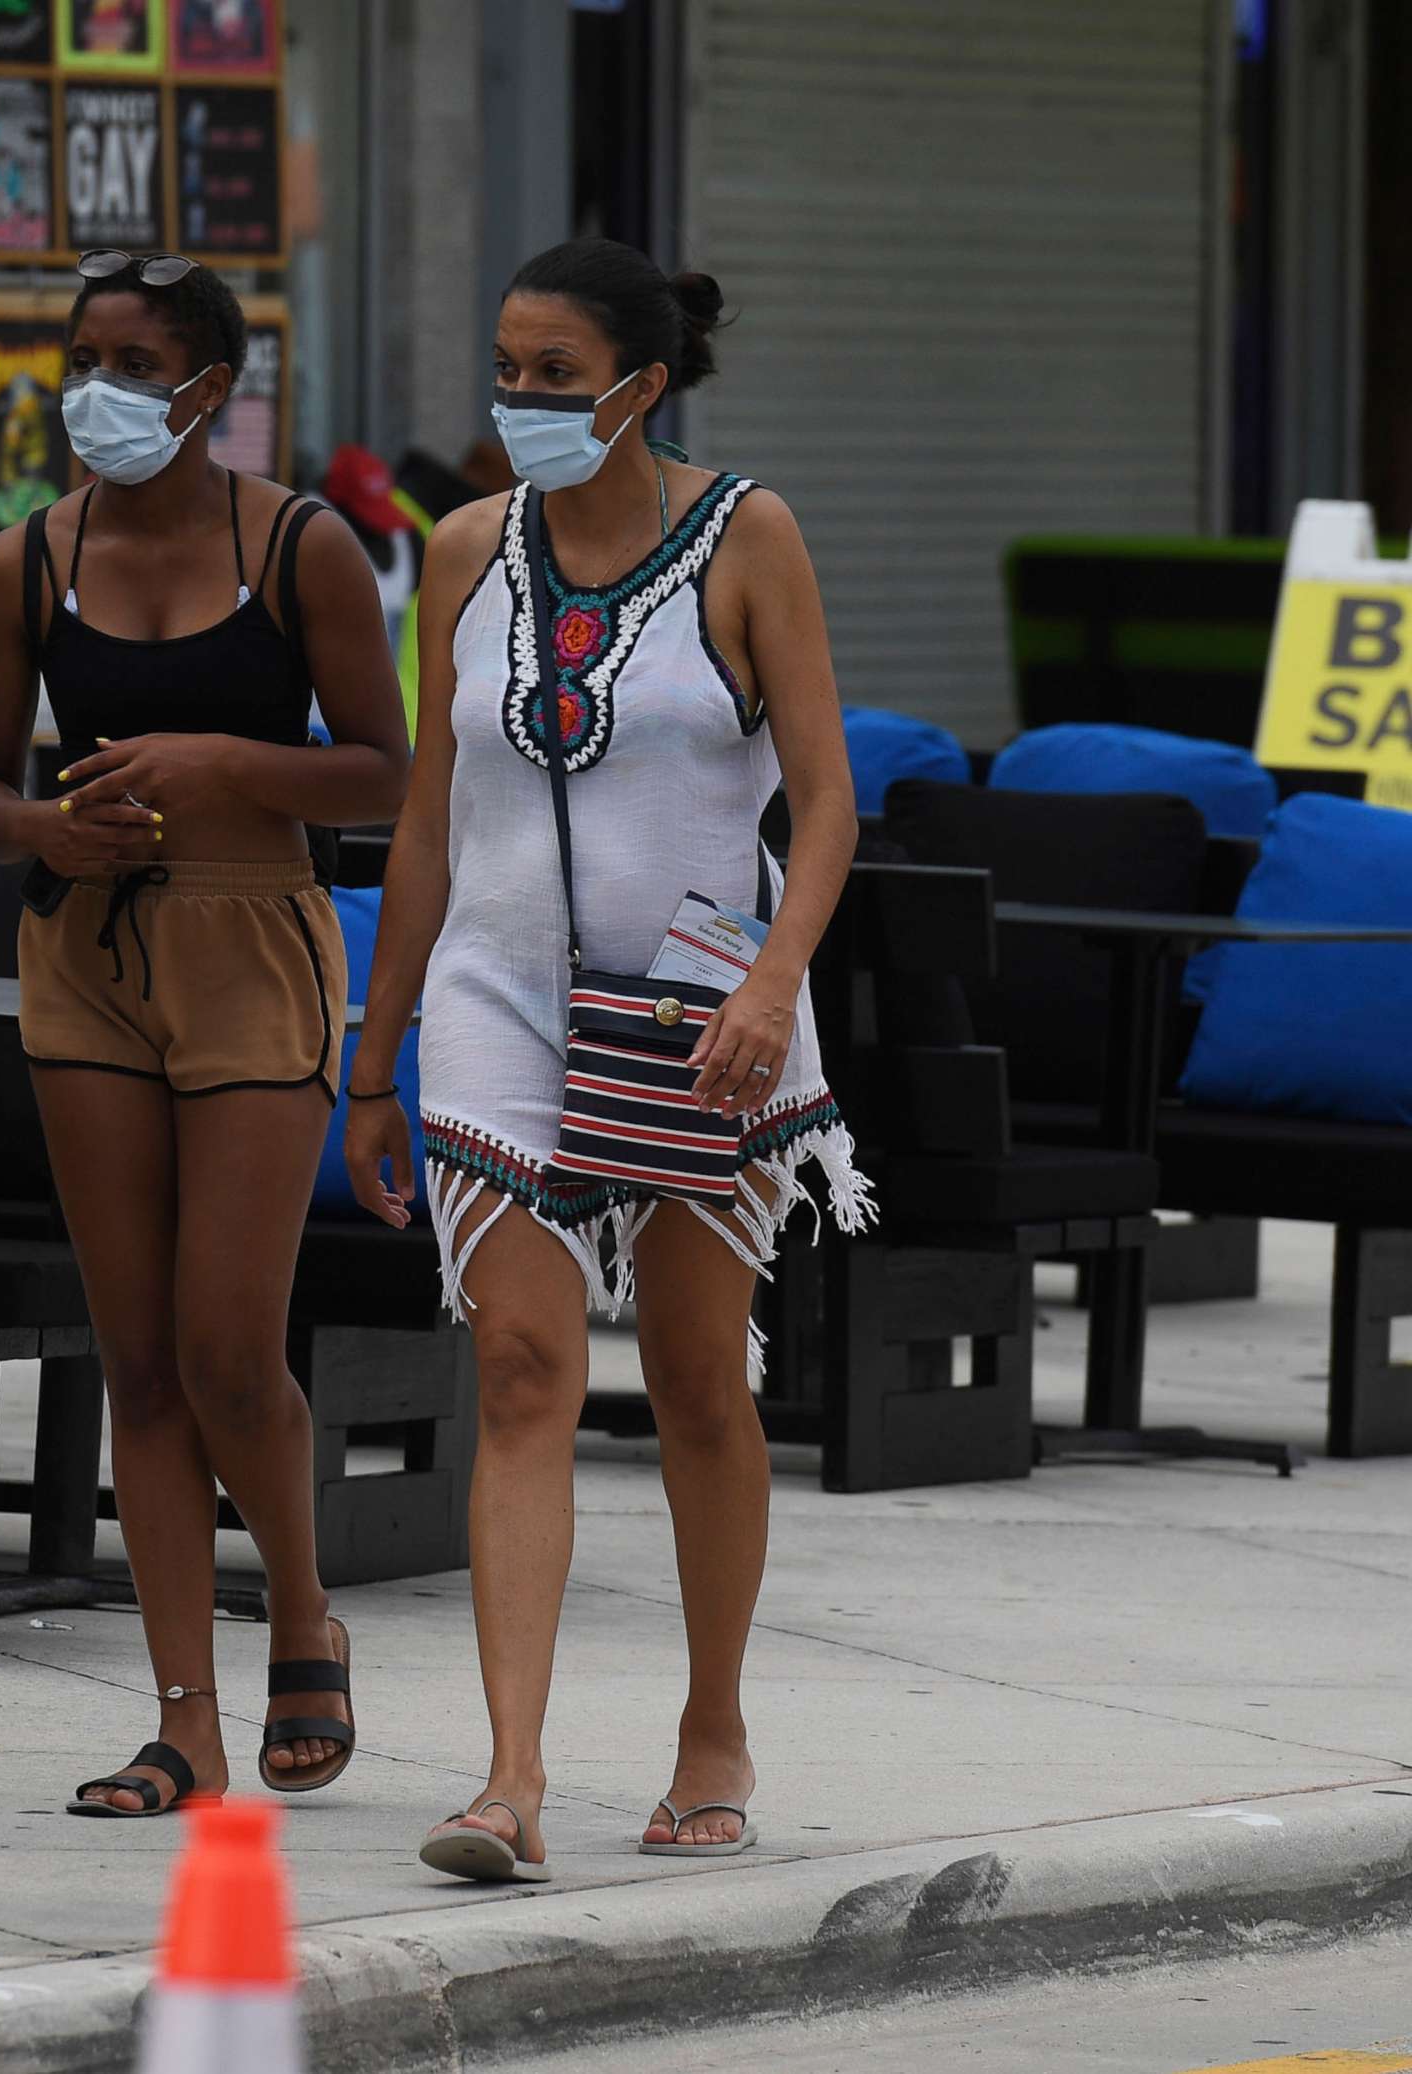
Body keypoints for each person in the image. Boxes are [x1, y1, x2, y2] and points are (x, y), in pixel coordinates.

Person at [344, 238, 869, 1881]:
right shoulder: (455, 552)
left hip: (705, 999)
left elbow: (829, 796)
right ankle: (508, 1775)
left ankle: (711, 1722)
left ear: (640, 386)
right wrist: (374, 1047)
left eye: (553, 376)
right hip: (497, 1000)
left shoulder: (747, 537)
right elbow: (428, 815)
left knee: (703, 1380)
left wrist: (776, 980)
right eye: (505, 369)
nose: (519, 403)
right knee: (517, 1368)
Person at [0, 251, 412, 1817]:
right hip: (83, 942)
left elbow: (388, 774)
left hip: (252, 934)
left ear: (209, 388)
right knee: (136, 1355)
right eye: (83, 356)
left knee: (229, 1342)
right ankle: (180, 1720)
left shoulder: (303, 547)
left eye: (132, 362)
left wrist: (227, 759)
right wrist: (42, 831)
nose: (97, 389)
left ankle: (301, 1612)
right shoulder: (26, 560)